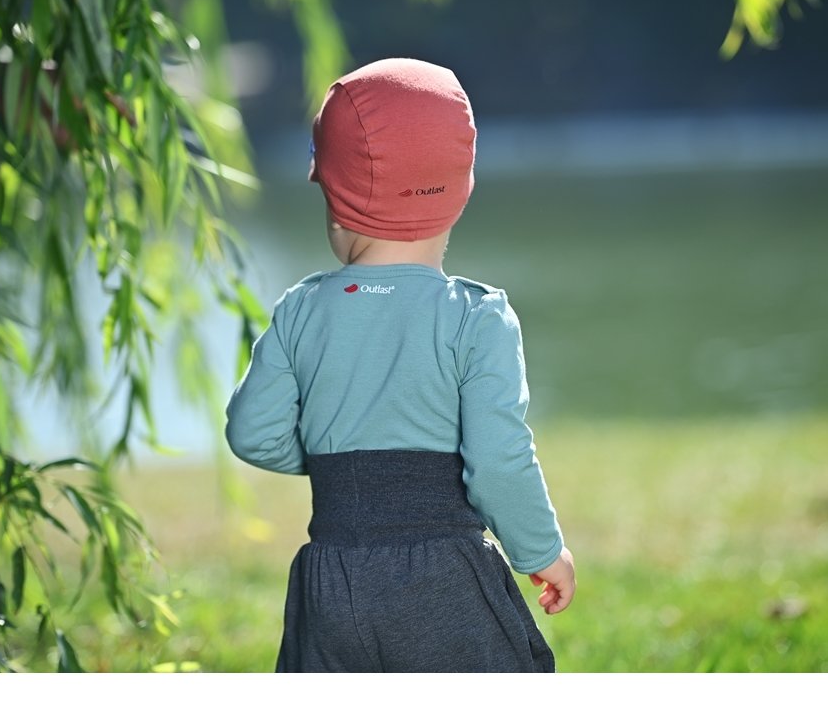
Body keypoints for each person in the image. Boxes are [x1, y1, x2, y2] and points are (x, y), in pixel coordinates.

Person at [225, 57, 576, 673]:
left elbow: (253, 432)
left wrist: (342, 458)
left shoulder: (301, 309)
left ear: (334, 196)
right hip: (445, 579)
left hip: (329, 580)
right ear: (460, 191)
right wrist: (542, 551)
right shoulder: (476, 317)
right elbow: (498, 459)